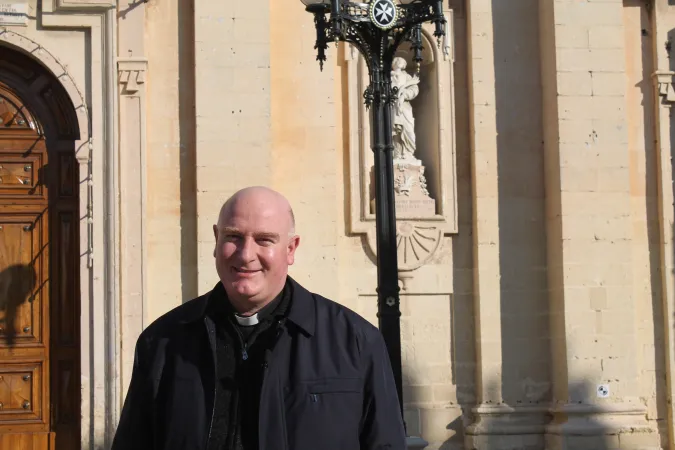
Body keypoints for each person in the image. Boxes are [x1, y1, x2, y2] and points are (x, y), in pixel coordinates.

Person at [111, 186, 406, 450]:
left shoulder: (354, 342)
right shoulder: (163, 342)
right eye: (234, 237)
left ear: (290, 249)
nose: (246, 254)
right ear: (216, 240)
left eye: (264, 240)